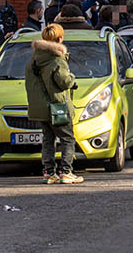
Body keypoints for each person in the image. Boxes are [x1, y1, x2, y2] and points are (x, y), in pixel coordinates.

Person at [26, 24, 80, 184]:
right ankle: (66, 172)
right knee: (67, 138)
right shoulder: (56, 58)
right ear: (59, 39)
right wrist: (72, 78)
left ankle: (49, 172)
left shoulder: (35, 58)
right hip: (57, 106)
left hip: (40, 108)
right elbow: (63, 81)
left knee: (48, 139)